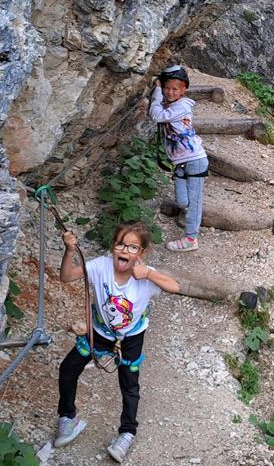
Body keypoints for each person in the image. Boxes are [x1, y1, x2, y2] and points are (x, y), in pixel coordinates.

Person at [54, 222, 180, 462]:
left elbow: (175, 286)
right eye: (121, 244)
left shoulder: (145, 275)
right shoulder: (101, 266)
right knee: (68, 369)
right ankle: (67, 417)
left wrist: (150, 274)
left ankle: (127, 432)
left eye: (133, 247)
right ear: (113, 247)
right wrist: (70, 251)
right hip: (99, 331)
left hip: (132, 336)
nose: (125, 251)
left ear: (142, 253)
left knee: (129, 383)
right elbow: (66, 276)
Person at [149, 65, 208, 252]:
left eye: (175, 89)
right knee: (183, 201)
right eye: (167, 88)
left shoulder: (181, 106)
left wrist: (157, 91)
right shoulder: (172, 105)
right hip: (180, 162)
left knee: (194, 202)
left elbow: (157, 115)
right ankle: (190, 220)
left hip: (195, 160)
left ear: (184, 90)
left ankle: (191, 238)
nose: (170, 92)